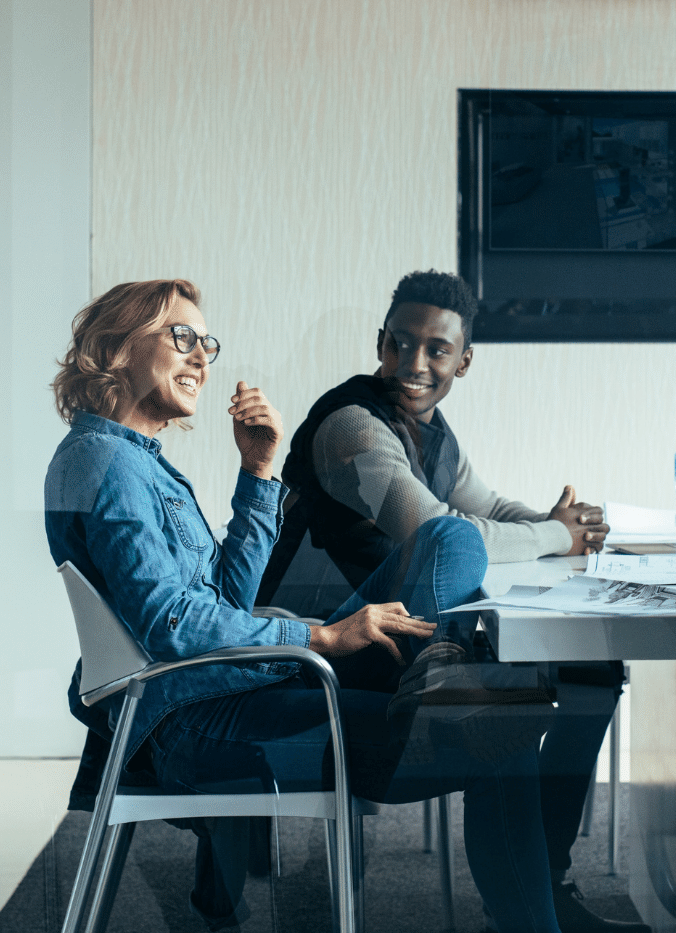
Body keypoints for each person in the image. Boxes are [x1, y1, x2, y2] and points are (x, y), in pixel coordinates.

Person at [45, 279, 565, 933]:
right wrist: (322, 638)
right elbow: (172, 624)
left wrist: (257, 471)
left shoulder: (129, 461)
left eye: (206, 342)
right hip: (204, 726)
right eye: (181, 337)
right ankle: (437, 695)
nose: (202, 356)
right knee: (499, 736)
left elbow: (227, 600)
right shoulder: (109, 465)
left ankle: (434, 683)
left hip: (227, 691)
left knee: (449, 539)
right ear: (118, 346)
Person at [255, 269, 642, 933]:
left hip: (393, 638)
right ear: (380, 344)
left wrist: (562, 525)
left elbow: (486, 506)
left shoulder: (432, 431)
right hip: (321, 644)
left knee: (591, 671)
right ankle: (527, 907)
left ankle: (544, 887)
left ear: (463, 360)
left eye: (436, 349)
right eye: (400, 343)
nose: (414, 363)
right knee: (494, 705)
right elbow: (437, 528)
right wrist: (556, 536)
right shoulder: (352, 426)